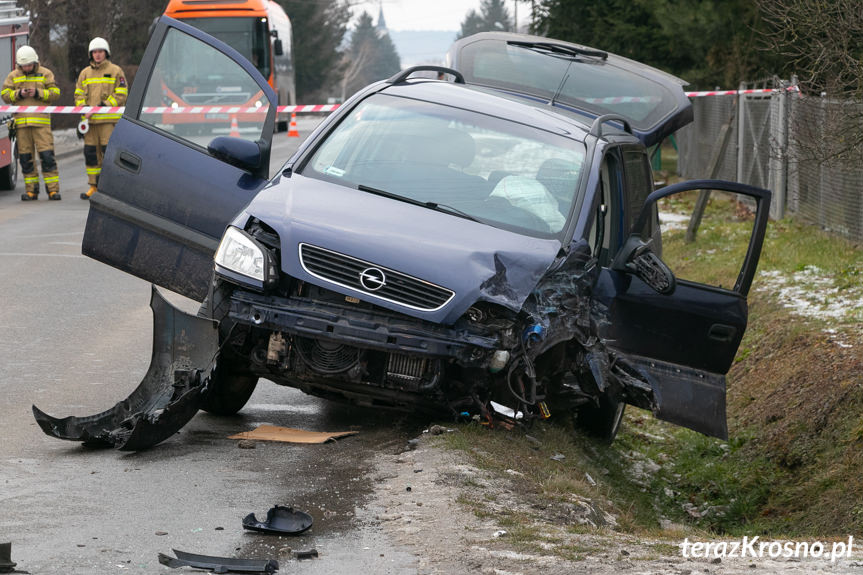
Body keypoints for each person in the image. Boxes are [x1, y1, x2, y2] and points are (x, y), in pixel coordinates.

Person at [0, 46, 61, 201]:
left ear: (35, 62)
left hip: (41, 124)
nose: (27, 68)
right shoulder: (13, 76)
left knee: (47, 156)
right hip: (22, 124)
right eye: (24, 66)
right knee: (26, 158)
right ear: (19, 65)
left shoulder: (45, 73)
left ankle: (53, 190)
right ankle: (31, 191)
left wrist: (39, 93)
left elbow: (55, 93)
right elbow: (5, 94)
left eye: (29, 65)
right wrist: (18, 94)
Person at [75, 37, 127, 200]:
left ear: (106, 53)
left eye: (100, 52)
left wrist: (103, 106)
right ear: (91, 54)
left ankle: (110, 188)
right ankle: (93, 187)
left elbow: (122, 94)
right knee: (91, 155)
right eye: (95, 52)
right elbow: (78, 94)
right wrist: (83, 108)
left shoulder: (116, 71)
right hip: (90, 123)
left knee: (108, 155)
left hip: (108, 122)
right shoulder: (85, 73)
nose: (97, 55)